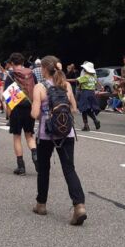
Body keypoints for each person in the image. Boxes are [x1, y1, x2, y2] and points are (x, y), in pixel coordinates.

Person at [30, 55, 87, 225]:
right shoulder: (66, 85)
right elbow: (74, 109)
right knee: (69, 169)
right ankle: (79, 205)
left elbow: (34, 114)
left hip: (46, 134)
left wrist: (43, 111)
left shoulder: (40, 87)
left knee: (44, 168)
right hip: (66, 133)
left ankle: (41, 204)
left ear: (45, 69)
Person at [4, 53, 38, 175]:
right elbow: (36, 89)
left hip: (17, 108)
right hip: (29, 107)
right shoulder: (31, 73)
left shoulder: (11, 75)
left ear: (12, 63)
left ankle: (21, 167)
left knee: (17, 137)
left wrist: (8, 113)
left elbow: (8, 96)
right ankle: (35, 155)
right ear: (22, 62)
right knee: (29, 135)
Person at [76, 62, 101, 131]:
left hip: (85, 93)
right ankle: (95, 120)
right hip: (92, 93)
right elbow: (95, 83)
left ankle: (86, 125)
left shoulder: (85, 76)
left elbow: (77, 80)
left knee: (84, 109)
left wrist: (64, 80)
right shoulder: (93, 76)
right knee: (88, 109)